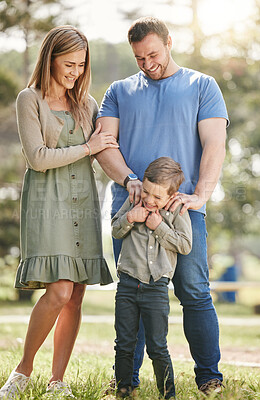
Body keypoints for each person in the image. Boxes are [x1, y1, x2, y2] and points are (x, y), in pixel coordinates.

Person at [95, 16, 229, 395]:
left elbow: (214, 144)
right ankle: (127, 382)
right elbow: (105, 145)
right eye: (139, 58)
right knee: (133, 292)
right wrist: (128, 180)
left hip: (182, 210)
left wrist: (200, 195)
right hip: (131, 209)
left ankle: (209, 377)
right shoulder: (119, 90)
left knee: (193, 289)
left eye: (152, 54)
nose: (147, 63)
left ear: (169, 43)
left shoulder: (202, 85)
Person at [0, 25, 118, 400]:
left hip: (83, 203)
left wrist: (135, 179)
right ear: (49, 58)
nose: (75, 73)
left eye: (81, 66)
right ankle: (23, 370)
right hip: (47, 206)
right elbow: (38, 158)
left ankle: (58, 380)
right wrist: (88, 147)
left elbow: (104, 149)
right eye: (69, 64)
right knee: (59, 290)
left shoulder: (87, 104)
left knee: (77, 293)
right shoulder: (28, 100)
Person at [112, 157, 192, 399]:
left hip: (156, 287)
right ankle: (124, 391)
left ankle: (168, 394)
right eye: (147, 191)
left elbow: (185, 245)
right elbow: (115, 229)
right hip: (127, 284)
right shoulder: (134, 200)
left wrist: (159, 226)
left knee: (157, 346)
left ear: (171, 196)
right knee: (124, 343)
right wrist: (130, 218)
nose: (149, 200)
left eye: (158, 197)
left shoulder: (177, 210)